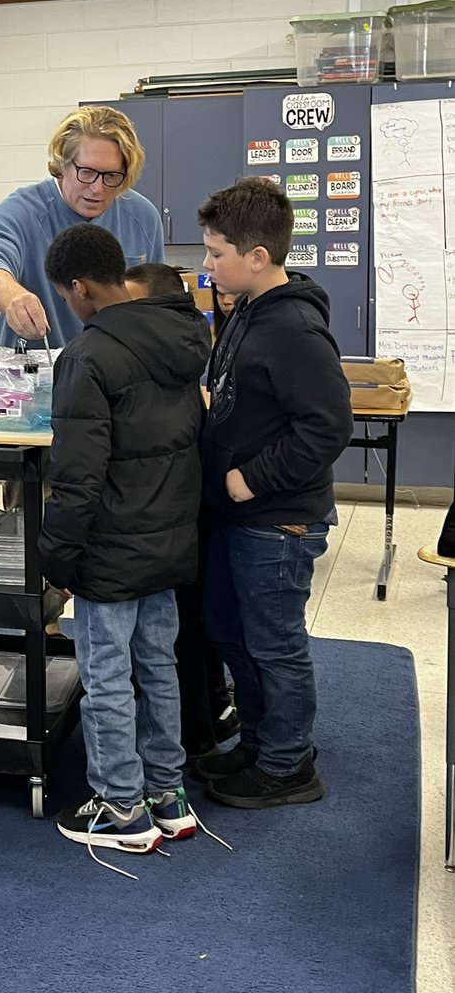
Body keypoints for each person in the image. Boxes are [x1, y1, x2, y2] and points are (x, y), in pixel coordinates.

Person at [36, 223, 212, 860]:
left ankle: (118, 805)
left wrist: (55, 556)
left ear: (78, 288)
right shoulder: (183, 336)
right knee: (158, 667)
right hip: (167, 541)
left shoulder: (86, 356)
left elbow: (77, 478)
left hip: (110, 548)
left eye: (64, 295)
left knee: (106, 675)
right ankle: (168, 795)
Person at [196, 178, 353, 809]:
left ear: (257, 256)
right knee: (229, 630)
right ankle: (262, 741)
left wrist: (250, 475)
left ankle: (290, 766)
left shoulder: (292, 327)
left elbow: (329, 426)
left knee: (274, 641)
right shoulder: (246, 308)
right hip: (239, 514)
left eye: (215, 253)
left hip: (276, 516)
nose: (205, 264)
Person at [124, 262, 240, 761]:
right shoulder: (192, 348)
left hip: (175, 516)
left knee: (181, 634)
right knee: (194, 626)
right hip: (189, 514)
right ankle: (206, 717)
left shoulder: (148, 357)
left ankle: (195, 730)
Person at [0, 105, 164, 350]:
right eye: (87, 172)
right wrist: (12, 298)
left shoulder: (143, 217)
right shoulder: (21, 212)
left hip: (117, 375)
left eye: (112, 176)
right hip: (38, 379)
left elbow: (157, 300)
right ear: (62, 165)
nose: (97, 188)